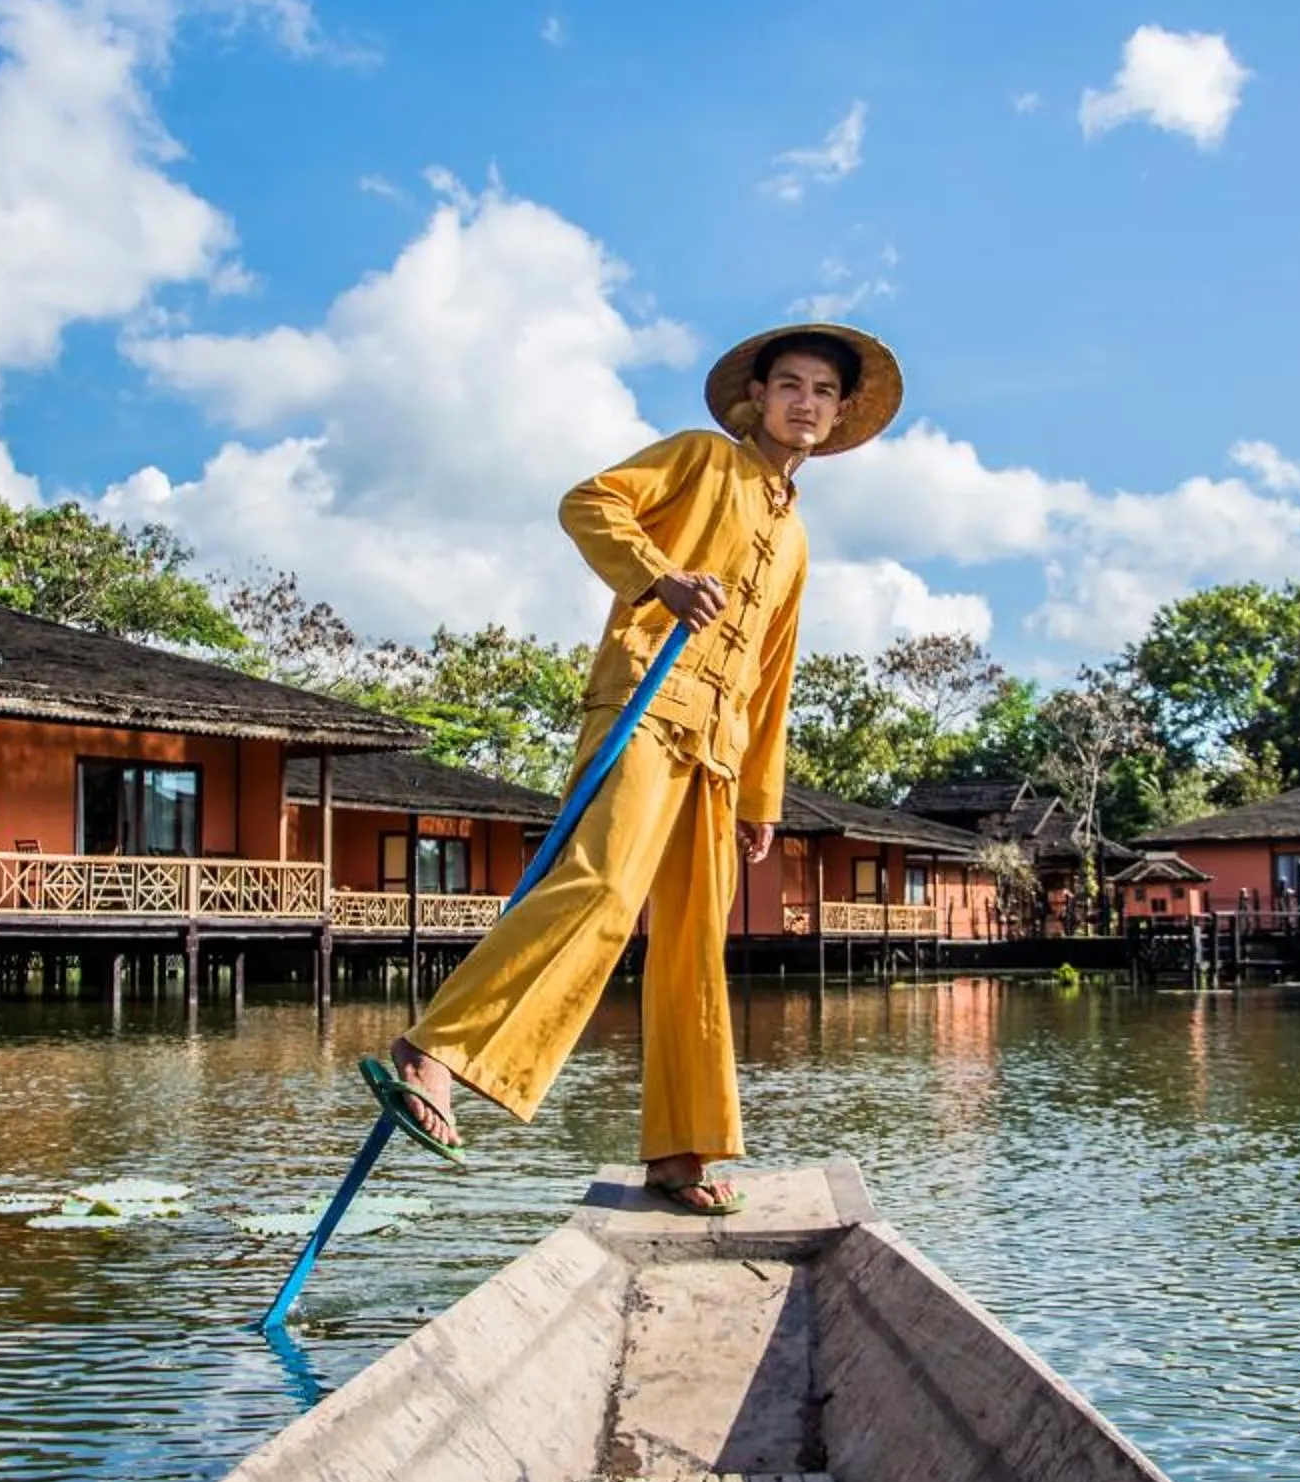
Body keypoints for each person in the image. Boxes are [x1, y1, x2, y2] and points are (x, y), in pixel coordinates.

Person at [359, 322, 903, 1214]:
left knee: (696, 945)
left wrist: (761, 792)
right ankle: (438, 1050)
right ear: (758, 398)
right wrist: (661, 578)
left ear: (837, 416)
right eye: (790, 387)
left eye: (822, 394)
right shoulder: (700, 459)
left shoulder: (798, 542)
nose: (805, 404)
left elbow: (775, 675)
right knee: (605, 883)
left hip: (719, 754)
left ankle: (680, 1151)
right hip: (646, 708)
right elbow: (590, 502)